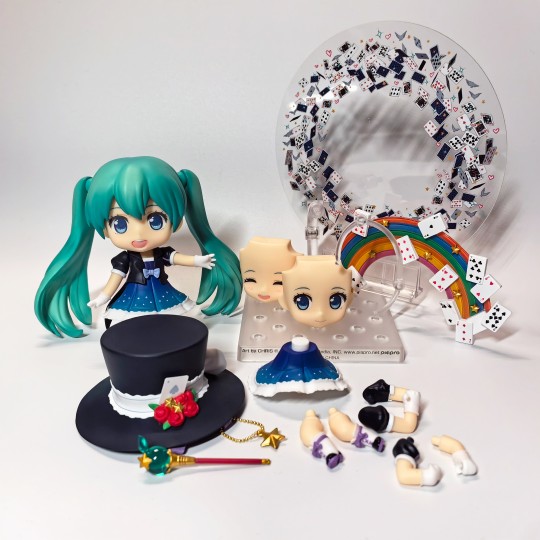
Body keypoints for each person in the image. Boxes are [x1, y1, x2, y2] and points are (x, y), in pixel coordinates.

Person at [35, 156, 241, 337]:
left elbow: (176, 258)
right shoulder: (125, 260)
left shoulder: (161, 253)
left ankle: (165, 333)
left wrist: (199, 260)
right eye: (120, 224)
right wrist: (103, 297)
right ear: (105, 228)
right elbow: (116, 278)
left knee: (169, 317)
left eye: (155, 220)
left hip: (162, 291)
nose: (139, 234)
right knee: (132, 321)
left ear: (176, 221)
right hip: (135, 294)